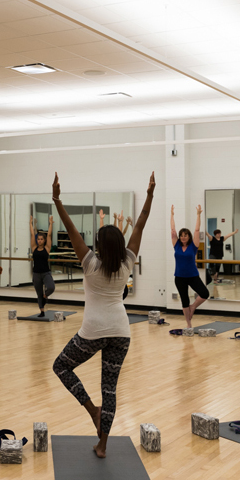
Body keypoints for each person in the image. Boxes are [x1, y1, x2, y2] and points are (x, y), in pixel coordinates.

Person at [53, 171, 154, 458]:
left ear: (98, 245)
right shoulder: (126, 263)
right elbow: (141, 224)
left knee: (61, 367)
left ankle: (92, 410)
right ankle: (103, 445)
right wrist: (149, 195)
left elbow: (70, 229)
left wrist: (57, 199)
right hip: (121, 332)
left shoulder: (90, 264)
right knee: (109, 388)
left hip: (93, 332)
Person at [170, 204, 208, 328]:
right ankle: (189, 324)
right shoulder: (176, 246)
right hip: (179, 277)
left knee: (204, 293)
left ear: (189, 236)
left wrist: (198, 215)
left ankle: (193, 307)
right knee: (184, 300)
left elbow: (197, 230)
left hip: (193, 276)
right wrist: (172, 215)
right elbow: (173, 230)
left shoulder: (193, 246)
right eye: (181, 236)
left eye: (185, 235)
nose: (183, 237)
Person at [29, 213, 56, 317]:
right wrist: (30, 224)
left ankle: (46, 296)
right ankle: (42, 311)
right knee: (38, 293)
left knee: (51, 287)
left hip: (45, 272)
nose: (39, 240)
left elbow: (49, 235)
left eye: (41, 239)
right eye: (38, 239)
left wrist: (50, 224)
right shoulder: (34, 248)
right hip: (36, 274)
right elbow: (32, 234)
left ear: (44, 241)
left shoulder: (47, 248)